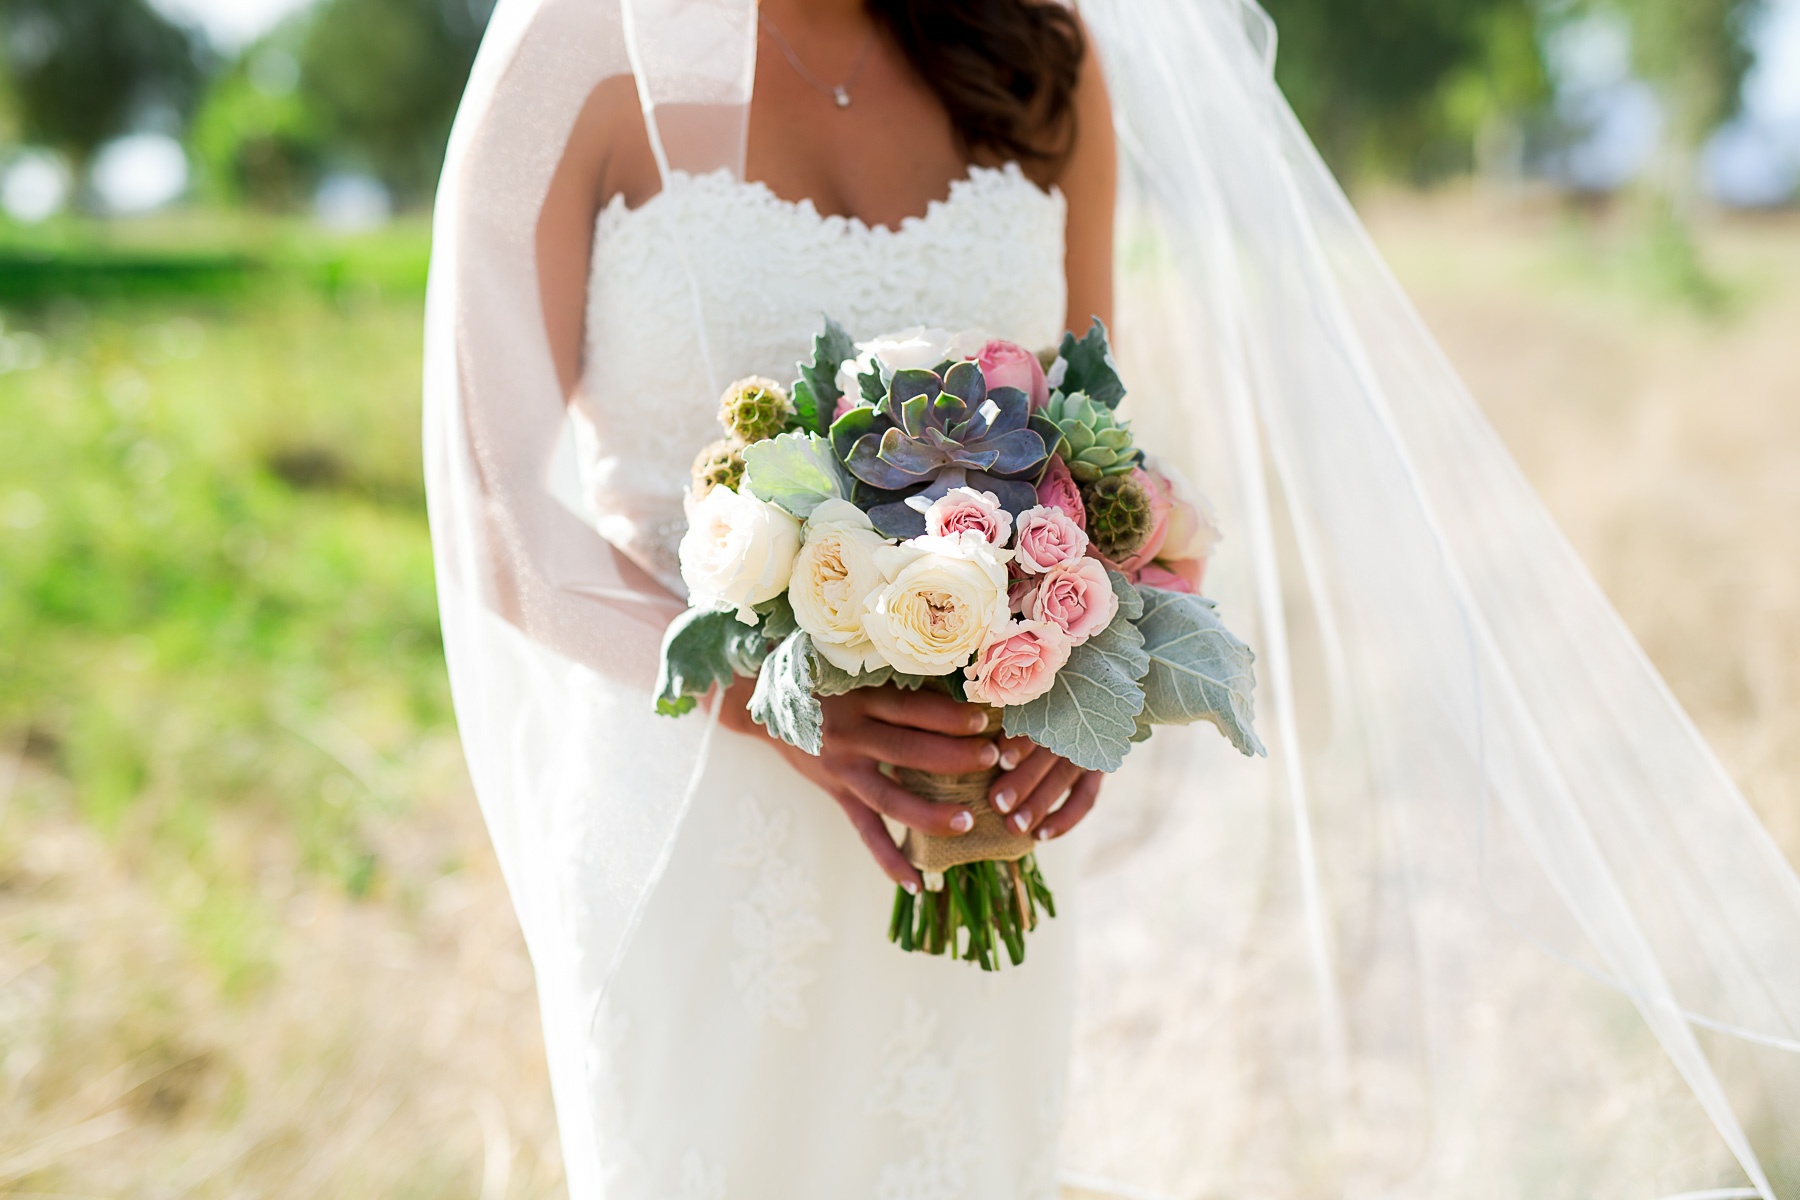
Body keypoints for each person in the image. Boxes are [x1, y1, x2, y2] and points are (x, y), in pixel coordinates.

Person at [425, 0, 1800, 1195]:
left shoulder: (1043, 57)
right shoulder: (577, 49)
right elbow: (496, 509)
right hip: (695, 820)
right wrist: (764, 697)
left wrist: (1084, 672)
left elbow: (1086, 450)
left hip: (980, 821)